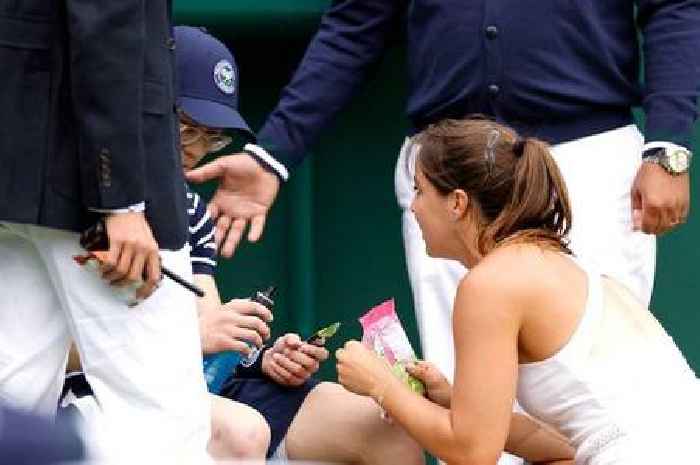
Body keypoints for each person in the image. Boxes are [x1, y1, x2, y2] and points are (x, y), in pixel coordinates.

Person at [185, 3, 699, 429]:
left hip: (587, 154)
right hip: (447, 166)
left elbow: (674, 5)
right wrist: (276, 153)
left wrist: (669, 145)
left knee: (601, 397)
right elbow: (356, 22)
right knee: (465, 395)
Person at [63, 25, 425, 465]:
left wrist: (262, 360)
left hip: (188, 383)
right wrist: (189, 339)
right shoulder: (65, 198)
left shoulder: (188, 208)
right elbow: (38, 348)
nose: (196, 149)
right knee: (242, 433)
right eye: (186, 128)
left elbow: (205, 329)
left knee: (385, 429)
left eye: (211, 135)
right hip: (92, 391)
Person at [335, 118, 700, 465]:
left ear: (457, 203)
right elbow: (560, 442)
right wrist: (450, 401)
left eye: (420, 190)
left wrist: (382, 386)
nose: (413, 206)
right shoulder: (555, 263)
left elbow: (473, 453)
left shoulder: (491, 284)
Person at [0, 1, 211, 462]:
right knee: (161, 418)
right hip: (86, 194)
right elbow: (106, 18)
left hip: (14, 175)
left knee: (13, 401)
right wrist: (118, 200)